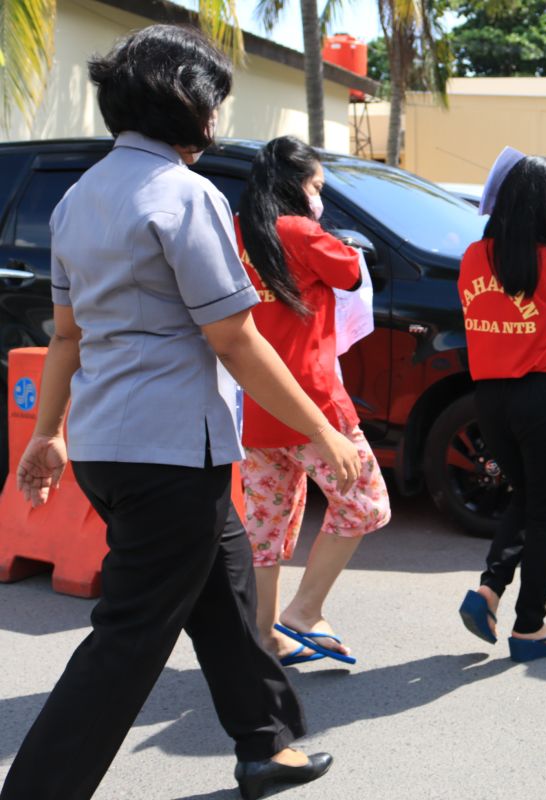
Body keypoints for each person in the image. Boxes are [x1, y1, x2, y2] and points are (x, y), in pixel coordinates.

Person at [2, 26, 361, 800]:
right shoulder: (185, 194)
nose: (218, 121)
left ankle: (267, 745)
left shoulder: (77, 200)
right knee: (130, 637)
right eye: (216, 104)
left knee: (226, 589)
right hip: (170, 453)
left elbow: (66, 335)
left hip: (109, 446)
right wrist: (323, 430)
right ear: (191, 106)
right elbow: (234, 337)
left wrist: (49, 435)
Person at [235, 136, 391, 668]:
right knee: (365, 503)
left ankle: (262, 637)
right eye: (317, 186)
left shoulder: (237, 233)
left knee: (267, 528)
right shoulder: (301, 231)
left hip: (255, 407)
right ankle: (304, 611)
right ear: (297, 185)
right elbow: (350, 272)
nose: (318, 196)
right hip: (315, 405)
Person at [455, 151, 546, 663]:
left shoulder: (475, 257)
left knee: (525, 497)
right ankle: (530, 629)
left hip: (491, 398)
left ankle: (488, 592)